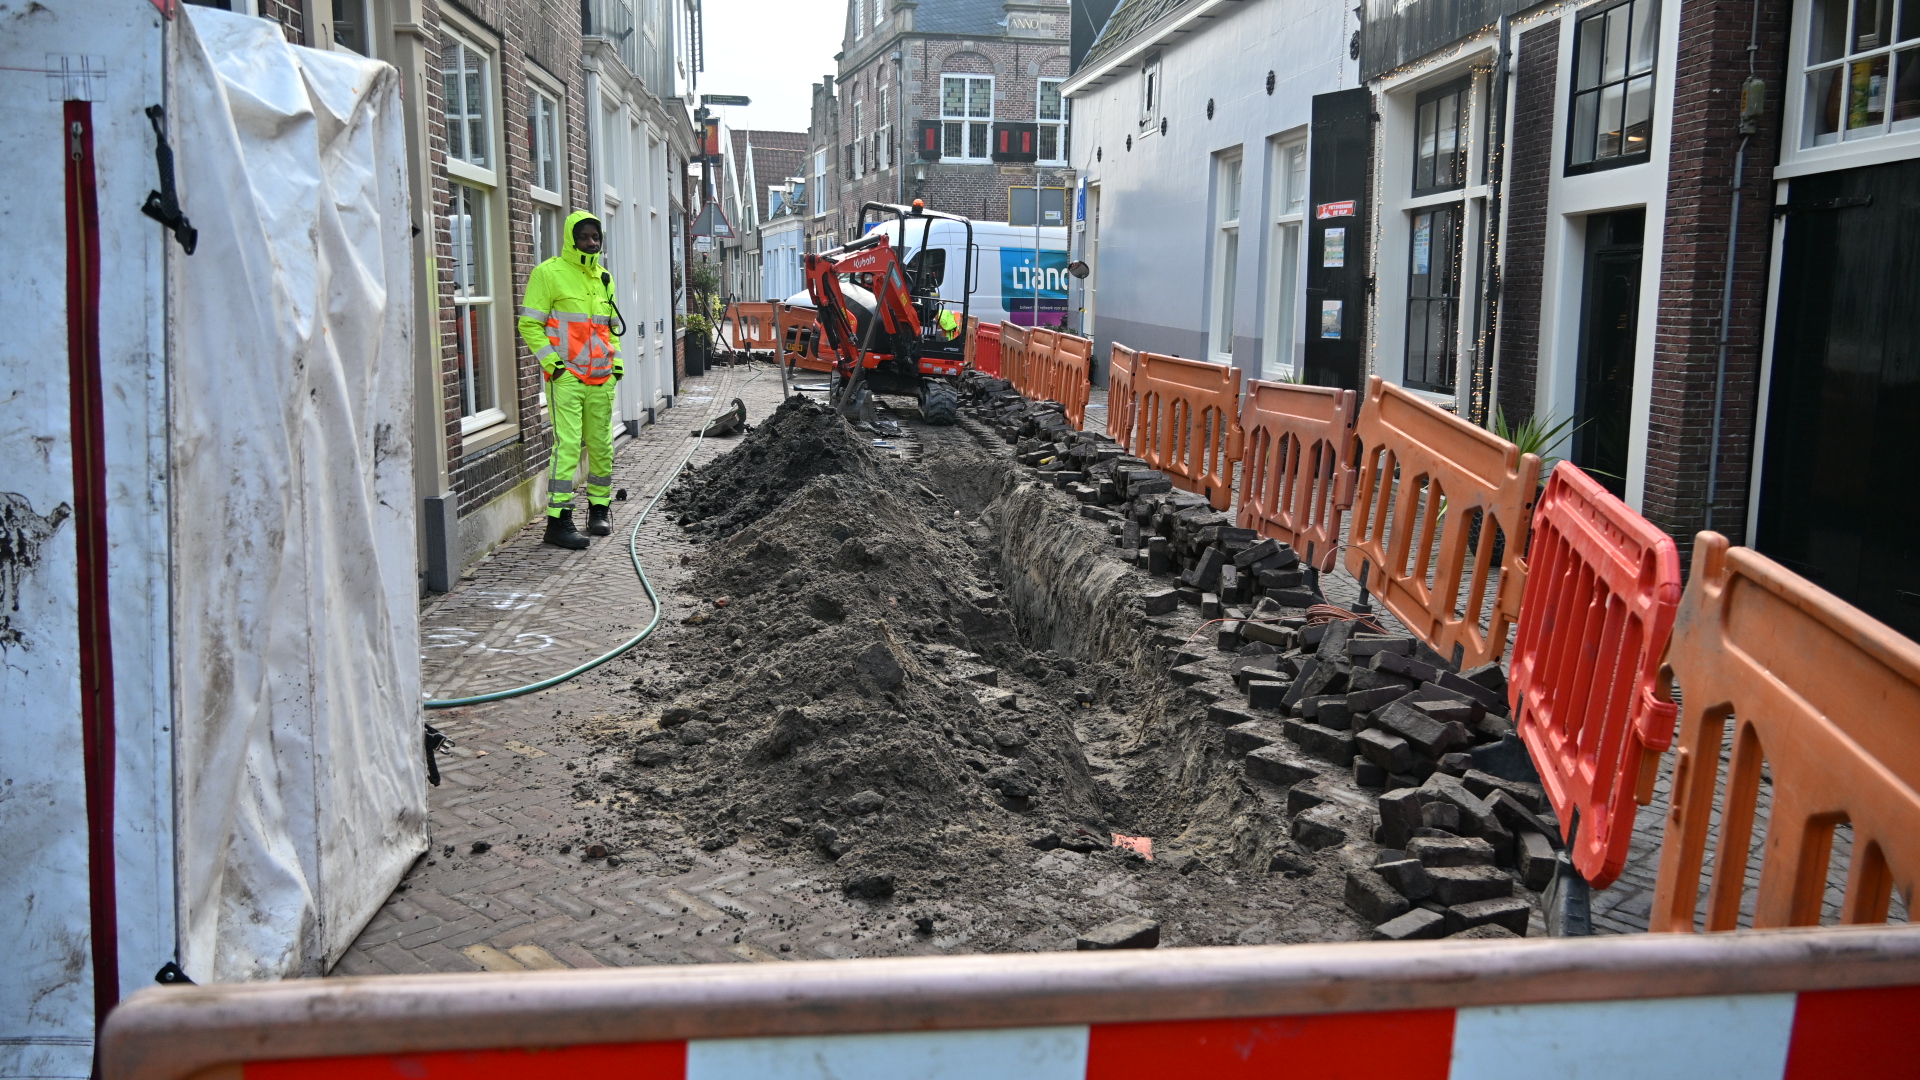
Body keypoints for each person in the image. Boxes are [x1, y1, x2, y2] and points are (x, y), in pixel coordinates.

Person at [520, 211, 623, 550]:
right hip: (566, 377)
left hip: (601, 378)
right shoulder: (548, 273)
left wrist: (617, 368)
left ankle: (599, 510)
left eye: (596, 237)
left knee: (602, 446)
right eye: (584, 237)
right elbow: (529, 324)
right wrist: (554, 367)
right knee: (567, 447)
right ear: (571, 239)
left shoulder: (604, 278)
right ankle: (558, 521)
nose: (591, 242)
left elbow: (610, 329)